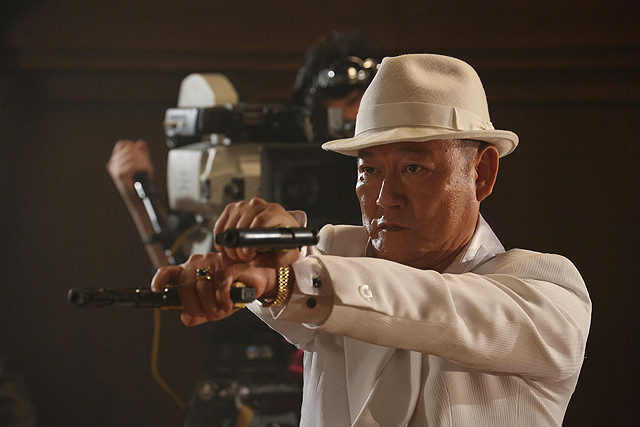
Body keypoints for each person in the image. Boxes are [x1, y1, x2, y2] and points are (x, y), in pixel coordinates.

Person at [151, 53, 592, 426]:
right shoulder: (334, 257)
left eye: (413, 168)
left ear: (482, 174)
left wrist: (292, 275)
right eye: (369, 170)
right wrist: (241, 266)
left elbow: (438, 306)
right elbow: (292, 281)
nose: (384, 198)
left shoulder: (548, 295)